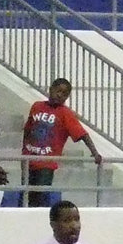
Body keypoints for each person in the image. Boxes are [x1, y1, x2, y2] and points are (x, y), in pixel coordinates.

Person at [21, 78, 103, 208]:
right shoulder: (36, 106)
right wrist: (23, 153)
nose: (60, 95)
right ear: (51, 89)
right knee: (25, 197)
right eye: (58, 91)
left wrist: (95, 152)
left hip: (46, 163)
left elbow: (82, 134)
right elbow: (28, 130)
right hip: (29, 160)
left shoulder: (65, 113)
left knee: (40, 197)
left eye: (64, 94)